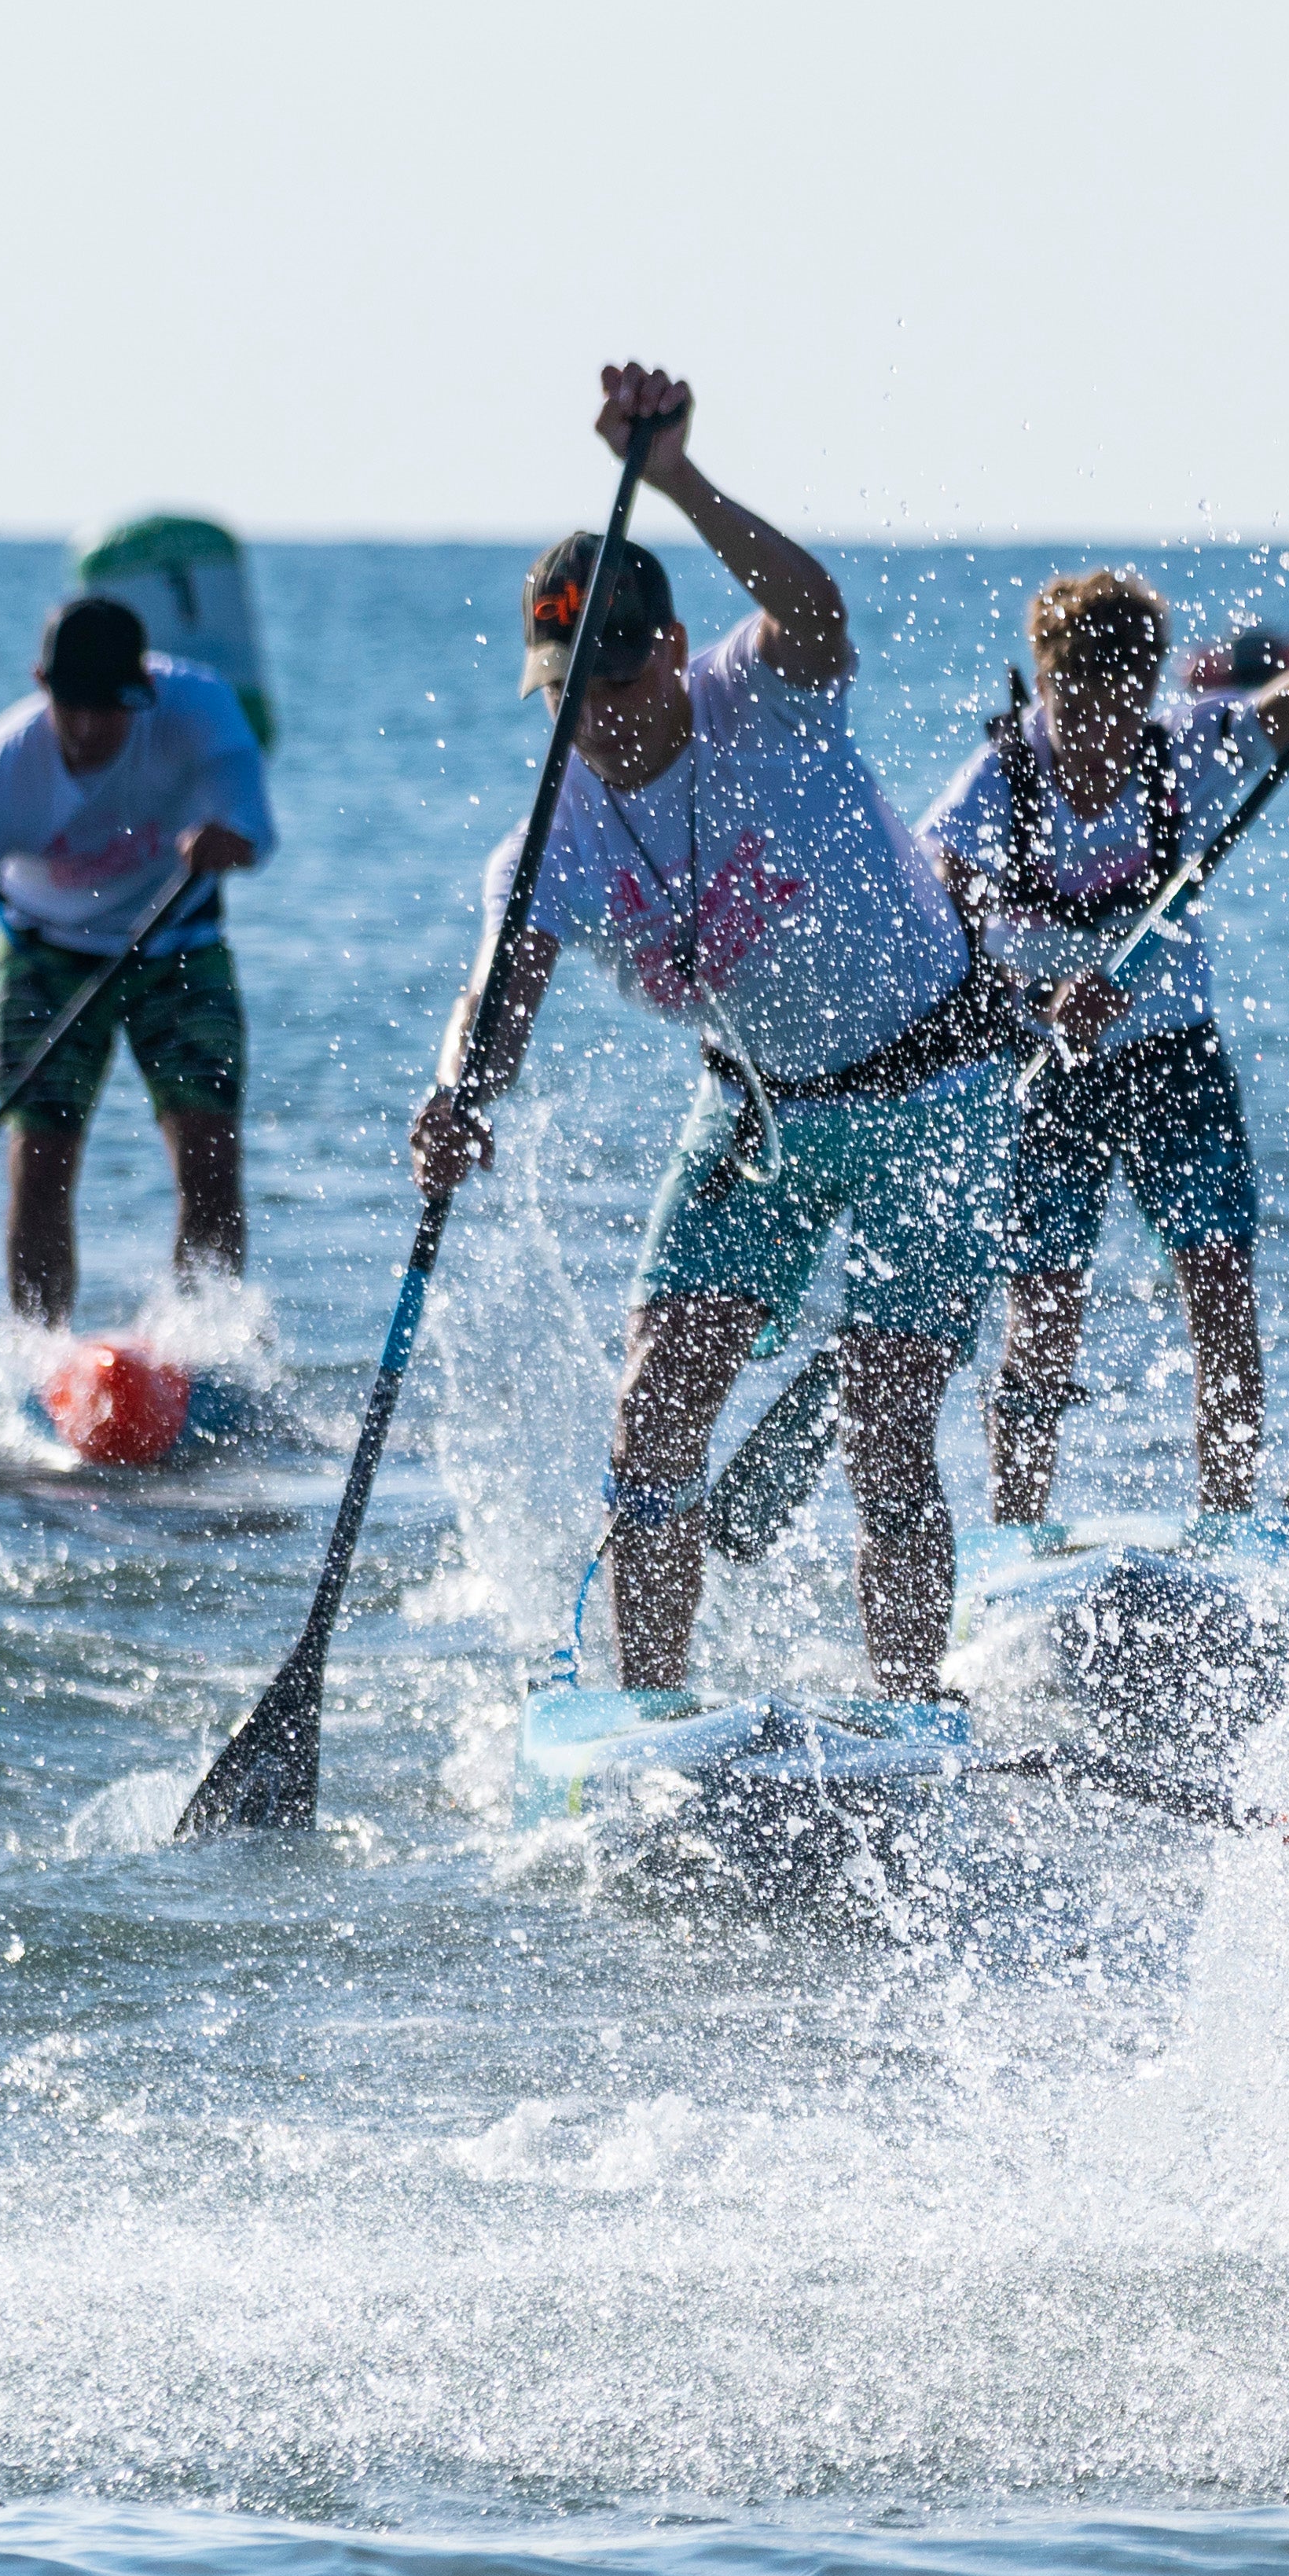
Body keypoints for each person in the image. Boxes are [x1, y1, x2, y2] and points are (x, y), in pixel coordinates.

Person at [406, 364, 1016, 1698]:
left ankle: (908, 1710)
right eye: (568, 694)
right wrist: (460, 1099)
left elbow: (816, 606)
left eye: (614, 688)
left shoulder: (766, 695)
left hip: (937, 1086)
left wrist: (676, 476)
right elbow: (494, 1005)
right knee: (654, 1424)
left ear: (672, 653)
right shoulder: (554, 831)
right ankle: (650, 1722)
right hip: (757, 1117)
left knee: (887, 1423)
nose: (596, 722)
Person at [922, 549, 1289, 1534]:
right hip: (1051, 1072)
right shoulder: (992, 787)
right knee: (1045, 1304)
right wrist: (1040, 996)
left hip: (1175, 1055)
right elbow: (932, 936)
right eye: (1079, 709)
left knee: (1216, 1283)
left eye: (1123, 709)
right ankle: (1014, 1530)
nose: (1100, 737)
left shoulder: (1191, 747)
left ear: (1149, 691)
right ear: (1046, 686)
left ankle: (1228, 1521)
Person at [0, 597, 277, 1323]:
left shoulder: (201, 707)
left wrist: (226, 842)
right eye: (69, 704)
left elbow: (259, 833)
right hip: (45, 953)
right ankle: (40, 1354)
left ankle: (205, 1352)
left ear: (142, 689)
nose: (84, 729)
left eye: (106, 708)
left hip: (177, 940)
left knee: (210, 1157)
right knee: (41, 1164)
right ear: (40, 683)